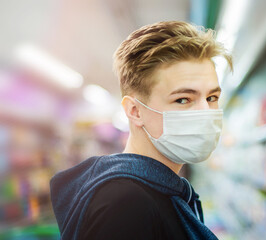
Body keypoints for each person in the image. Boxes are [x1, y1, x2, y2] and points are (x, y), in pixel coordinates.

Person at [50, 21, 232, 240]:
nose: (205, 111)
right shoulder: (127, 205)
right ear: (135, 111)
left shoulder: (159, 190)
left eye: (212, 97)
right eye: (183, 99)